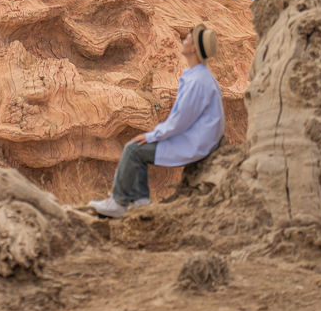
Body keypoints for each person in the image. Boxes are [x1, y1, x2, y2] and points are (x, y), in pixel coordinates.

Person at [88, 23, 224, 218]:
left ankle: (118, 202)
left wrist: (154, 135)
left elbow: (180, 121)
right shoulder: (199, 76)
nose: (183, 40)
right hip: (198, 138)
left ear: (194, 48)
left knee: (133, 148)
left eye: (187, 38)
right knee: (141, 146)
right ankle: (140, 201)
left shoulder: (198, 81)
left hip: (195, 143)